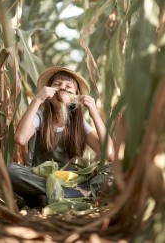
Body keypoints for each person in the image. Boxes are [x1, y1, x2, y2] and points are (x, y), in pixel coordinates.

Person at [8, 66, 114, 207]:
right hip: (40, 178)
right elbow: (20, 138)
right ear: (48, 92)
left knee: (113, 170)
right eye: (57, 84)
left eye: (69, 86)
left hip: (72, 180)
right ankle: (73, 195)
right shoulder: (39, 117)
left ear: (76, 95)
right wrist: (37, 99)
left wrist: (93, 111)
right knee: (10, 171)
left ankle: (54, 196)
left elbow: (109, 154)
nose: (63, 88)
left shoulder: (79, 124)